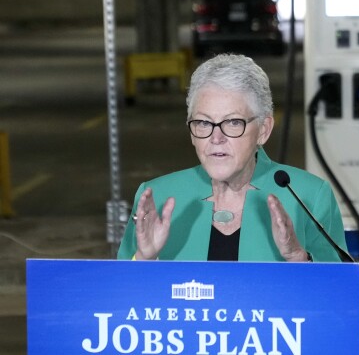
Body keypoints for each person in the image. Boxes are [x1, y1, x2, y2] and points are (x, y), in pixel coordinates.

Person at [117, 53, 347, 263]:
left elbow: (339, 297)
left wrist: (297, 258)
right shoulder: (157, 196)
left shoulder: (308, 197)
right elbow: (120, 298)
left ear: (264, 130)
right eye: (204, 123)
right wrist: (145, 259)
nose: (216, 137)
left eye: (233, 122)